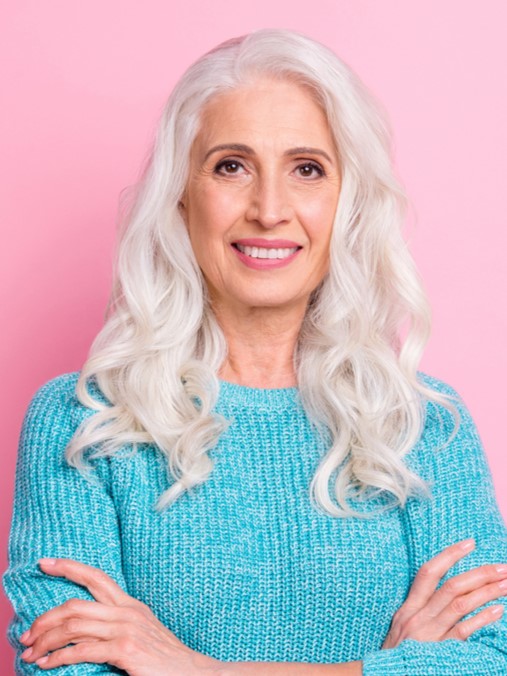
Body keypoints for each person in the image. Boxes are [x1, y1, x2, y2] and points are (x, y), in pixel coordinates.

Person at [3, 28, 507, 675]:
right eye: (231, 166)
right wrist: (389, 670)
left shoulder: (422, 426)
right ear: (182, 194)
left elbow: (494, 659)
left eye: (306, 169)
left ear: (346, 201)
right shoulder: (81, 424)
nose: (269, 209)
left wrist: (192, 669)